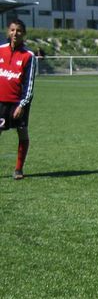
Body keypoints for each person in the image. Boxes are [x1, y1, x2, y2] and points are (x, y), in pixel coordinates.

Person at [0, 19, 38, 180]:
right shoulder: (0, 50)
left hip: (18, 103)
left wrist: (22, 104)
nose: (15, 33)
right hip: (1, 102)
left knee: (22, 132)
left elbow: (29, 84)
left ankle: (18, 169)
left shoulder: (28, 56)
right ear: (8, 32)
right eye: (13, 30)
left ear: (24, 34)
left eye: (19, 31)